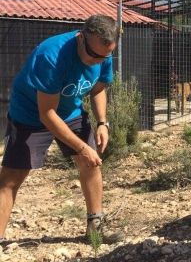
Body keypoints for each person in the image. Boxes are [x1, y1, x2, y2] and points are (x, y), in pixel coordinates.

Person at [0, 15, 120, 245]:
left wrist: (103, 122)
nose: (99, 61)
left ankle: (95, 228)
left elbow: (97, 89)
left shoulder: (103, 51)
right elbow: (47, 114)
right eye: (94, 55)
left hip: (70, 111)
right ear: (81, 38)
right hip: (30, 114)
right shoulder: (51, 56)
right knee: (11, 178)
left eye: (105, 56)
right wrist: (82, 146)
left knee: (90, 164)